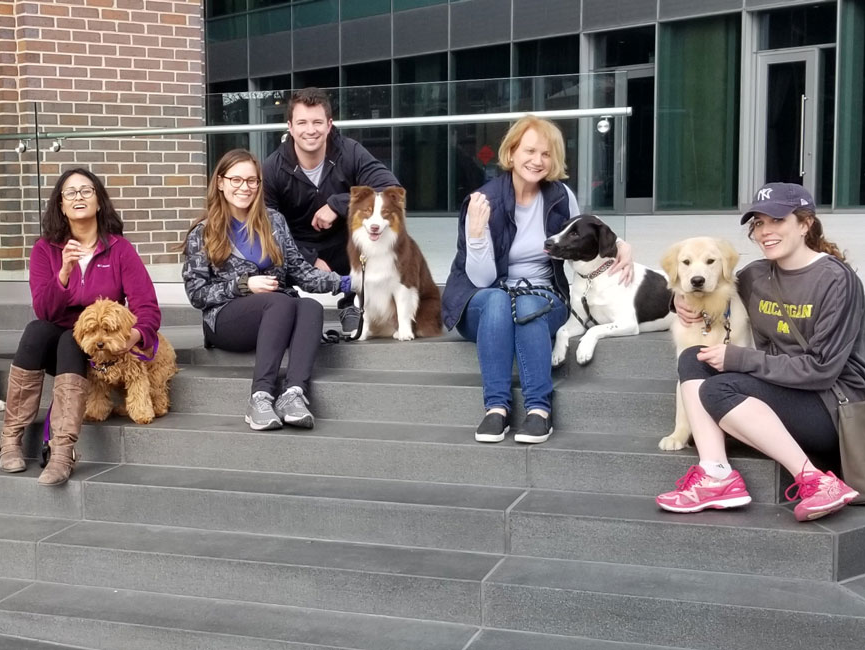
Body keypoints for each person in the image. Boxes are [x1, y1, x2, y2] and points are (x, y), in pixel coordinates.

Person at [657, 182, 864, 521]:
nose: (766, 232)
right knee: (692, 357)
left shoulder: (835, 280)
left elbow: (822, 369)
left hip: (831, 407)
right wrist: (679, 301)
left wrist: (739, 359)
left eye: (777, 221)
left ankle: (815, 479)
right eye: (758, 224)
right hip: (780, 390)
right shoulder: (756, 275)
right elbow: (707, 284)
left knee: (719, 388)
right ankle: (716, 475)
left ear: (805, 223)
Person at [441, 115, 634, 445]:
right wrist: (476, 235)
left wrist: (621, 245)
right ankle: (496, 409)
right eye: (529, 151)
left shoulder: (560, 196)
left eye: (546, 154)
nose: (537, 160)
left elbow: (588, 231)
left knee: (529, 305)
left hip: (542, 295)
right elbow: (482, 279)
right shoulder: (483, 201)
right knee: (501, 300)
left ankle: (538, 410)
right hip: (484, 302)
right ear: (512, 152)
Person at [0, 168, 161, 485]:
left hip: (97, 347)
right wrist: (63, 273)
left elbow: (147, 307)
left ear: (99, 201)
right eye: (70, 193)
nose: (78, 197)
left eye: (86, 191)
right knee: (36, 330)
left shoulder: (119, 250)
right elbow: (44, 309)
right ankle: (10, 438)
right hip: (55, 338)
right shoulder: (45, 249)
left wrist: (134, 336)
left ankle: (62, 452)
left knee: (71, 343)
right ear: (60, 205)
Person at [183, 148, 351, 431]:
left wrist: (348, 282)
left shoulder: (274, 221)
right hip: (225, 321)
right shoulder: (204, 232)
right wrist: (243, 285)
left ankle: (294, 393)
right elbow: (197, 294)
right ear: (221, 182)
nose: (244, 187)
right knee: (281, 302)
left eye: (252, 180)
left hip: (275, 314)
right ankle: (260, 397)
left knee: (310, 306)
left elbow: (301, 271)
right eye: (236, 180)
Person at [262, 87, 399, 306]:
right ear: (290, 127)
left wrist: (339, 204)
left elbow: (391, 193)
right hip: (296, 248)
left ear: (329, 124)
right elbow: (265, 228)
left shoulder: (350, 152)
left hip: (344, 244)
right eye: (302, 123)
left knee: (380, 229)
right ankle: (285, 308)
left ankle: (356, 305)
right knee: (264, 252)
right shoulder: (272, 168)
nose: (310, 130)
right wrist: (308, 258)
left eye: (317, 122)